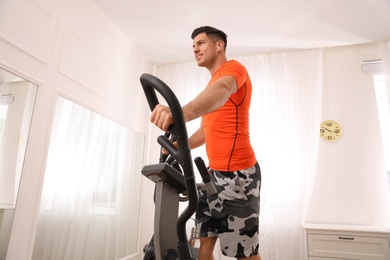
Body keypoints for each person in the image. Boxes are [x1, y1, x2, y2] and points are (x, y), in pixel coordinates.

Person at [150, 26, 261, 260]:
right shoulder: (211, 83)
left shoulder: (234, 71)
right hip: (212, 175)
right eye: (193, 46)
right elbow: (206, 130)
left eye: (200, 43)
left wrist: (178, 113)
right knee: (203, 244)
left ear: (219, 45)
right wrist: (183, 146)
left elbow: (222, 92)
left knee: (244, 253)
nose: (195, 49)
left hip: (239, 175)